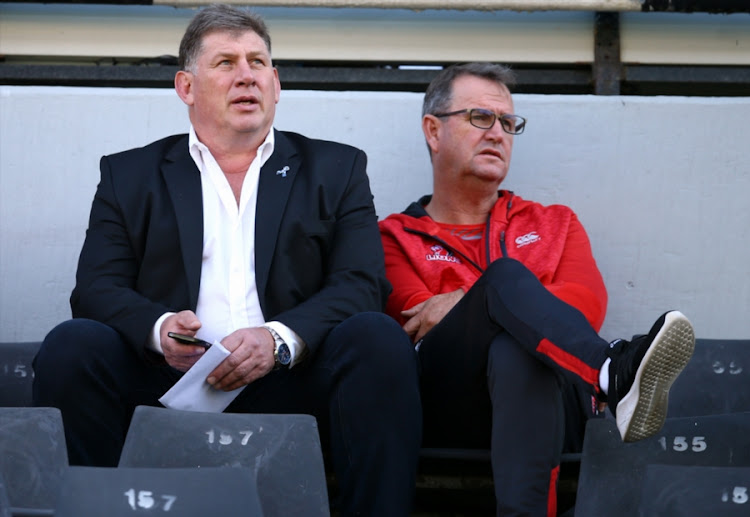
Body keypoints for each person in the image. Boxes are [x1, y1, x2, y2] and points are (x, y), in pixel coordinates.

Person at [32, 5, 421, 515]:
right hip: (170, 381)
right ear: (186, 87)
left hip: (291, 377)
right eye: (226, 63)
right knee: (72, 345)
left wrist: (278, 339)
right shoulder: (130, 175)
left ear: (276, 84)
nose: (246, 76)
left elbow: (362, 283)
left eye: (258, 62)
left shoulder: (336, 168)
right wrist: (161, 328)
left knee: (376, 337)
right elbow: (96, 290)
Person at [379, 62, 696, 516]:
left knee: (516, 348)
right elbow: (417, 320)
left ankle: (609, 377)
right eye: (480, 118)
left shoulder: (555, 224)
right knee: (509, 287)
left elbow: (586, 306)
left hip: (557, 407)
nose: (498, 133)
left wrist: (473, 303)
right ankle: (611, 371)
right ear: (433, 130)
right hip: (450, 408)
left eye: (508, 123)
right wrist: (501, 295)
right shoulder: (392, 237)